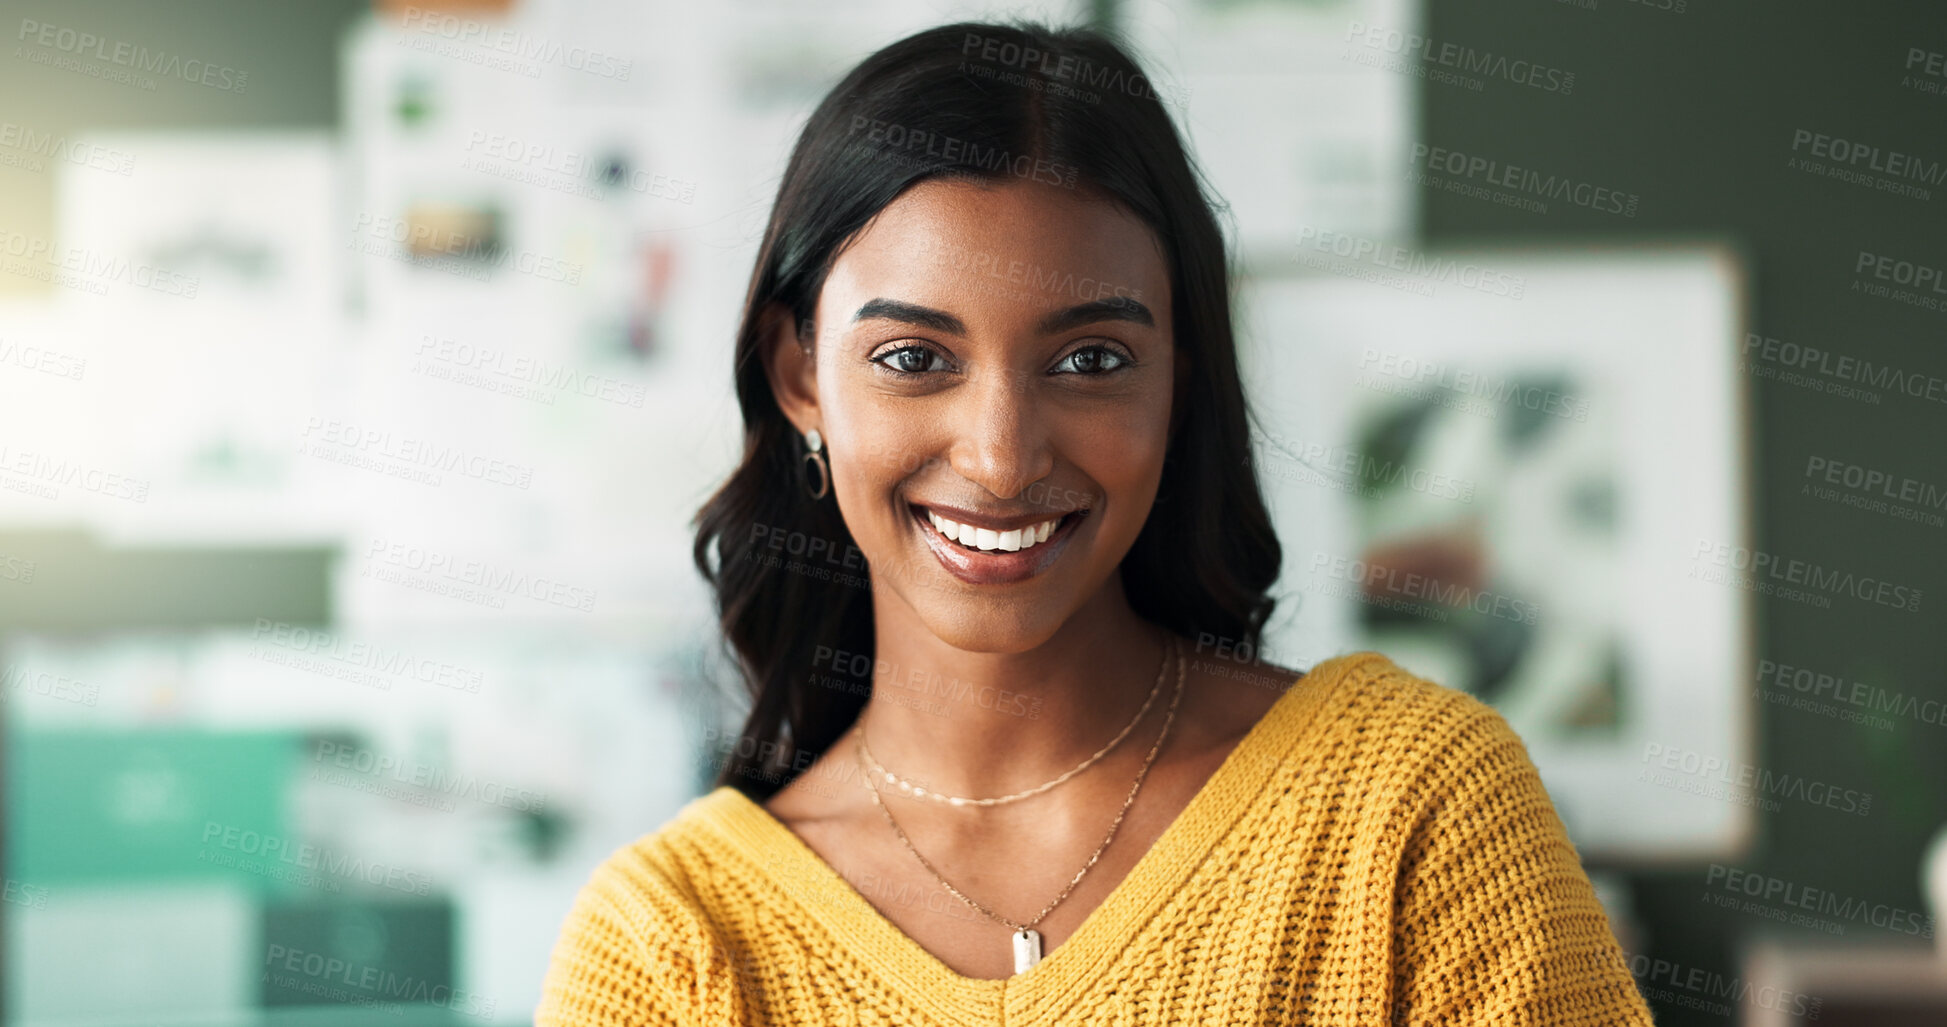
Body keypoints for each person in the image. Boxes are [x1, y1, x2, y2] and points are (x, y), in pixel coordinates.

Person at [537, 19, 1655, 1026]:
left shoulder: (1411, 816)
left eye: (1091, 359)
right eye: (914, 359)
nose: (1002, 454)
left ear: (1180, 377)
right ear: (800, 377)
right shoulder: (670, 950)